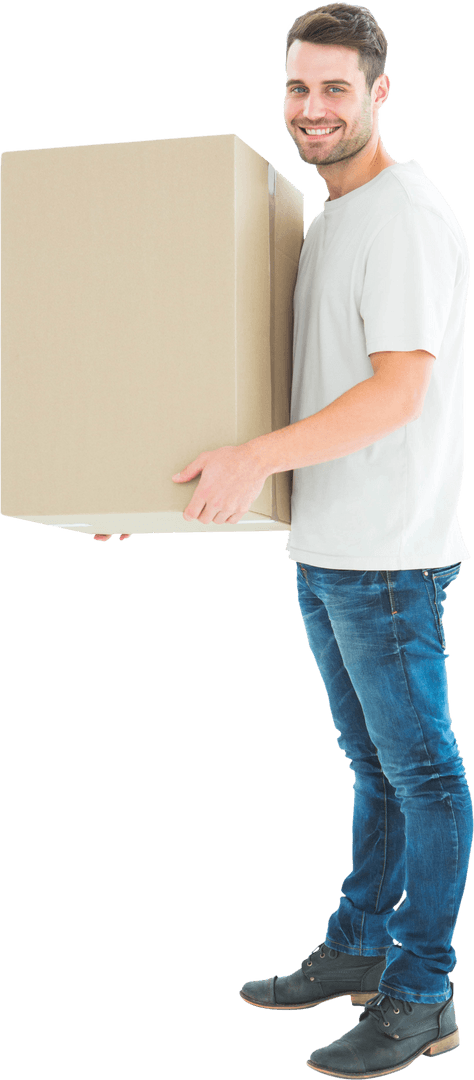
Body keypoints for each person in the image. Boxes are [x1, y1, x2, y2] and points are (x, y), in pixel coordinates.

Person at [95, 4, 473, 1077]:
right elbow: (281, 388)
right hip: (327, 546)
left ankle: (423, 994)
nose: (312, 109)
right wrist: (148, 484)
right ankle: (358, 947)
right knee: (374, 769)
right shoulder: (329, 217)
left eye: (336, 89)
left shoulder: (402, 217)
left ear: (380, 92)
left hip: (388, 558)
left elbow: (398, 393)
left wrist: (257, 460)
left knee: (427, 779)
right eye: (299, 88)